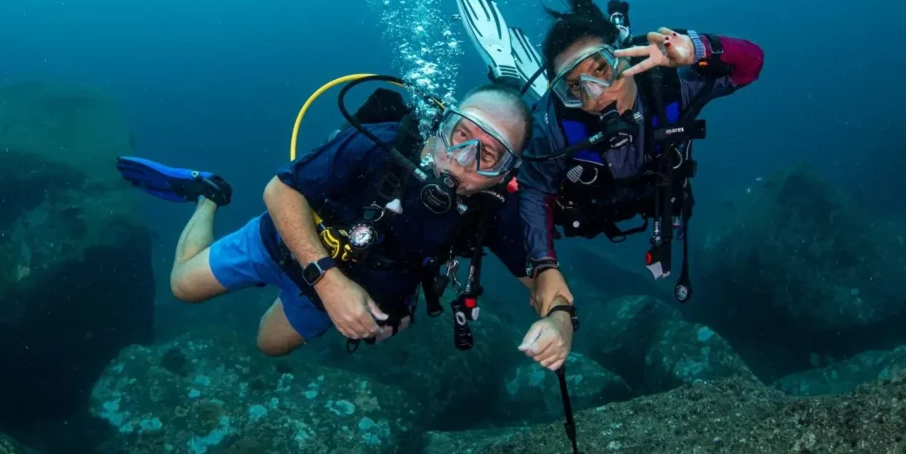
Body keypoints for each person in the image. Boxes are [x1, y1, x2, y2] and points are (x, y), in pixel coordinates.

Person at [115, 81, 577, 372]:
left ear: (505, 173)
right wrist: (330, 282)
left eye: (488, 154)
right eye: (462, 134)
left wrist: (560, 321)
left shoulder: (489, 209)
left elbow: (541, 274)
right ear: (445, 123)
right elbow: (280, 190)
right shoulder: (380, 143)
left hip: (330, 293)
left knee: (268, 346)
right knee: (181, 286)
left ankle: (290, 298)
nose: (461, 159)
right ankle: (206, 197)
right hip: (281, 241)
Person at [453, 0, 763, 307]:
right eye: (574, 87)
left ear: (623, 55)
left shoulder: (669, 87)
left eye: (601, 69)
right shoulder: (555, 128)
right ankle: (511, 84)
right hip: (585, 210)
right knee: (519, 142)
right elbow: (535, 190)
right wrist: (545, 265)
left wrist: (695, 50)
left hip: (639, 197)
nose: (595, 96)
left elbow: (751, 64)